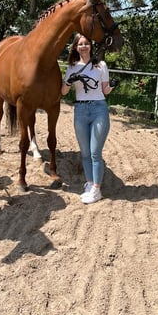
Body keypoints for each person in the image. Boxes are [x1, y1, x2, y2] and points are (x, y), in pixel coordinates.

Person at [61, 33, 115, 203]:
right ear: (76, 47)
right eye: (80, 44)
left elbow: (105, 91)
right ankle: (90, 183)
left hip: (99, 108)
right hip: (80, 110)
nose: (83, 46)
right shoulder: (72, 67)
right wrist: (69, 81)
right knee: (85, 153)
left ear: (90, 46)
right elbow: (63, 92)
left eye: (86, 43)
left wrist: (112, 85)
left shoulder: (101, 65)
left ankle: (97, 190)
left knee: (94, 152)